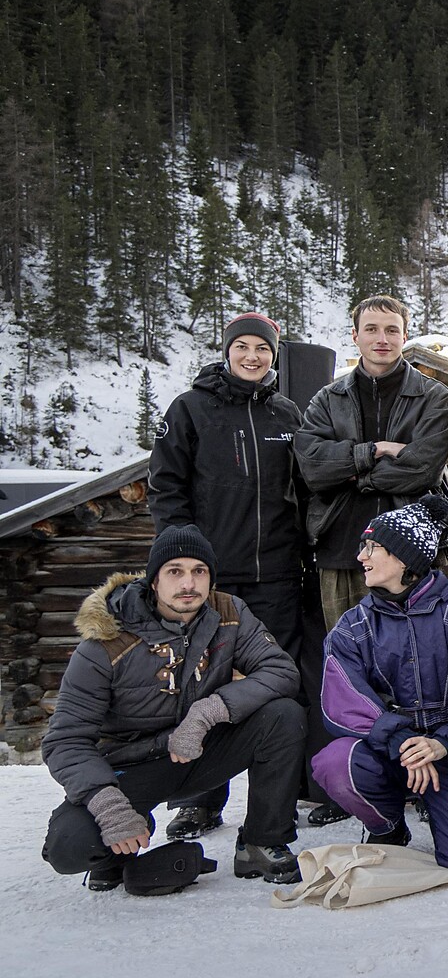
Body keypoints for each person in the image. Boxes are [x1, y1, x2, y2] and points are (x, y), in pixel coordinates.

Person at [40, 526, 305, 889]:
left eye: (199, 571)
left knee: (283, 716)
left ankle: (262, 840)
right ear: (154, 581)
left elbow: (280, 670)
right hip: (128, 768)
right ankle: (119, 846)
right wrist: (107, 805)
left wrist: (209, 711)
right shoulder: (104, 642)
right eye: (175, 571)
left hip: (198, 749)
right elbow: (65, 741)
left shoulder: (228, 613)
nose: (189, 583)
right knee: (69, 845)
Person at [146, 309, 309, 842]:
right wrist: (188, 559)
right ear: (227, 351)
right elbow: (166, 487)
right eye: (242, 347)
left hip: (279, 574)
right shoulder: (191, 409)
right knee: (199, 685)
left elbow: (306, 491)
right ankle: (198, 799)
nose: (252, 357)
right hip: (213, 580)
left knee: (278, 687)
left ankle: (273, 807)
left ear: (273, 355)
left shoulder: (286, 414)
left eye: (262, 349)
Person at [311, 495, 448, 875]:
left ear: (405, 559)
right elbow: (342, 700)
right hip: (388, 750)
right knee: (335, 763)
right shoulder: (353, 626)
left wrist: (443, 743)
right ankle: (388, 826)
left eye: (372, 547)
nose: (361, 556)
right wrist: (399, 740)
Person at [294, 294, 448, 629]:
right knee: (347, 655)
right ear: (355, 336)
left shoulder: (433, 396)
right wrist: (374, 450)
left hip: (410, 551)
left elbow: (423, 469)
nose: (382, 339)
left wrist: (353, 474)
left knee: (414, 656)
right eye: (371, 329)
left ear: (404, 336)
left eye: (392, 330)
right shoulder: (328, 398)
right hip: (341, 548)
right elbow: (312, 467)